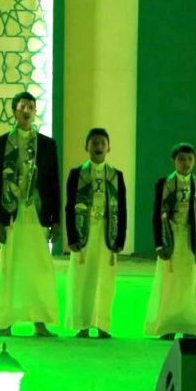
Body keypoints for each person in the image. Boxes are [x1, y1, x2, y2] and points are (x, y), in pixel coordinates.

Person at [0, 91, 60, 337]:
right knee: (11, 266)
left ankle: (40, 323)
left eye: (31, 107)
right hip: (11, 212)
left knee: (39, 267)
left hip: (37, 211)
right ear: (14, 111)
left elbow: (53, 183)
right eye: (22, 107)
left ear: (35, 111)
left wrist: (56, 220)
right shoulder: (1, 144)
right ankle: (6, 322)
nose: (27, 111)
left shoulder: (47, 145)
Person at [144, 143, 196, 340]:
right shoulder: (164, 183)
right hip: (171, 237)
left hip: (193, 239)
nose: (186, 163)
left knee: (190, 283)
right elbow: (156, 215)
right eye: (181, 159)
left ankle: (189, 326)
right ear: (173, 161)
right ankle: (168, 326)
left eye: (190, 159)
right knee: (168, 282)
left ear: (195, 161)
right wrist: (159, 243)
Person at [65, 128, 127, 339]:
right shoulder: (76, 174)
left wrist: (120, 238)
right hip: (84, 231)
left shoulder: (116, 176)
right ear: (86, 147)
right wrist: (72, 237)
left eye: (103, 143)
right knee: (82, 278)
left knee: (105, 278)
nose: (99, 147)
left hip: (107, 233)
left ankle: (102, 325)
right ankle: (82, 325)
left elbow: (122, 209)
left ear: (109, 147)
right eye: (94, 143)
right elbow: (69, 206)